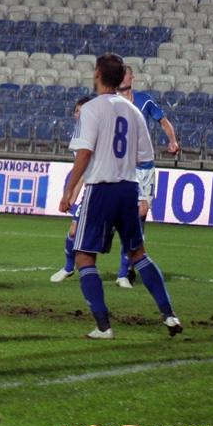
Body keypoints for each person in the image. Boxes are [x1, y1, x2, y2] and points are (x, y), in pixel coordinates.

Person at [58, 53, 183, 339]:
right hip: (129, 188)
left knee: (85, 258)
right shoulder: (133, 111)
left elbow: (85, 152)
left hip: (101, 188)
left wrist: (69, 190)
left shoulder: (91, 109)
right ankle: (169, 315)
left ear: (98, 75)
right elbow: (144, 158)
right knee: (138, 254)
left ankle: (104, 327)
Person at [114, 64, 180, 289]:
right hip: (122, 168)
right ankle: (124, 269)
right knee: (126, 215)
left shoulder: (145, 100)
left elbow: (162, 120)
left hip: (145, 168)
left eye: (125, 74)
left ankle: (126, 271)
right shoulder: (112, 103)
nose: (122, 78)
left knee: (141, 214)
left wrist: (172, 140)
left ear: (132, 78)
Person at [50, 96, 91, 283]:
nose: (79, 114)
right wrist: (73, 194)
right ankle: (68, 267)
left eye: (83, 111)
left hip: (106, 187)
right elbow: (82, 169)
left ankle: (125, 273)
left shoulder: (95, 132)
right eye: (76, 111)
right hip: (90, 189)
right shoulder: (77, 135)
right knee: (74, 231)